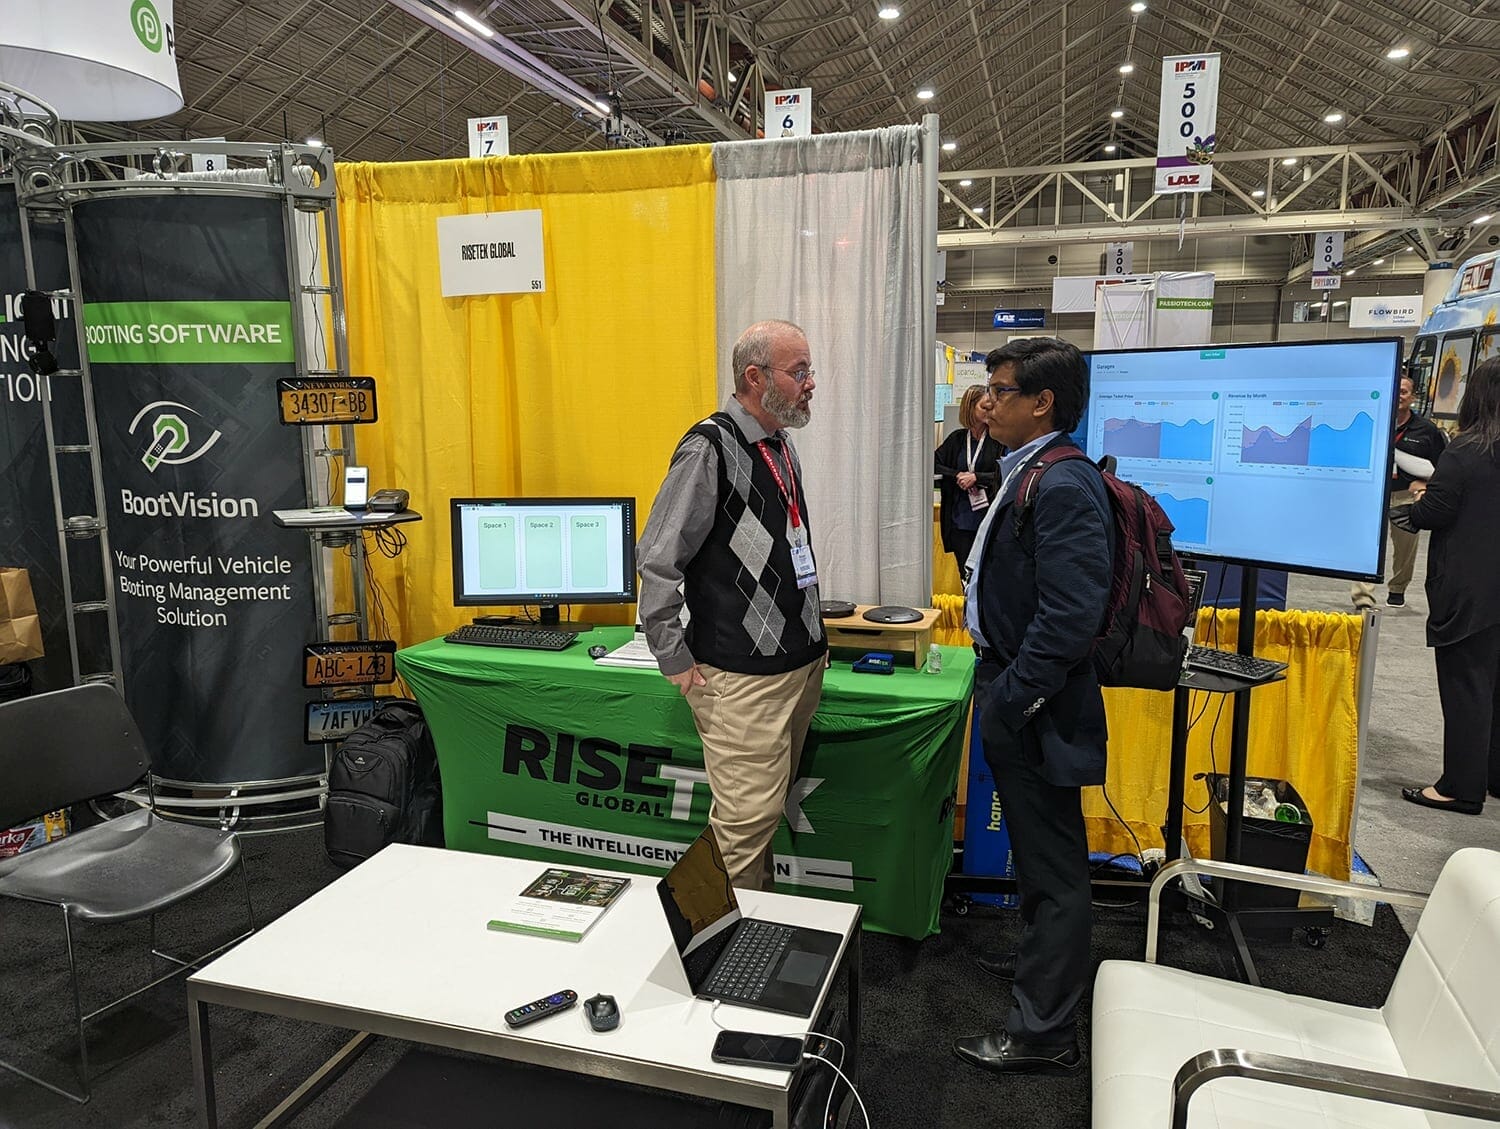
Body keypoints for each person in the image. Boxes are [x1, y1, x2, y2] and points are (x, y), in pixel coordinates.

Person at [952, 337, 1114, 1075]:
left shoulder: (1063, 484)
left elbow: (1070, 618)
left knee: (1053, 869)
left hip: (1036, 703)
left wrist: (1011, 702)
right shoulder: (1030, 472)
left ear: (1043, 402)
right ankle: (1042, 980)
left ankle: (1043, 1031)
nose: (989, 401)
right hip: (1021, 693)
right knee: (1042, 856)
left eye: (1002, 389)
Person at [636, 319, 827, 889]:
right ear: (755, 377)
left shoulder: (779, 444)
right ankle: (706, 956)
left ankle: (750, 935)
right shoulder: (708, 448)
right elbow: (657, 558)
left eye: (809, 370)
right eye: (800, 372)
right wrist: (671, 655)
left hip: (796, 665)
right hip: (741, 676)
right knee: (743, 824)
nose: (811, 383)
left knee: (762, 818)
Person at [1400, 356, 1500, 815]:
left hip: (1470, 593)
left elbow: (1433, 513)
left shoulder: (1466, 452)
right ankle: (1491, 776)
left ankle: (1460, 786)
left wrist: (1421, 496)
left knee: (1467, 688)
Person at [1351, 371, 1447, 610]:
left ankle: (1397, 588)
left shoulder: (1426, 430)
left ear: (1412, 397)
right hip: (1374, 494)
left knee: (1405, 549)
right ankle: (1363, 597)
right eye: (1394, 391)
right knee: (1366, 544)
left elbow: (1443, 467)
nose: (1398, 396)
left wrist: (1425, 485)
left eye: (1403, 391)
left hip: (1407, 495)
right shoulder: (1370, 421)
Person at [935, 385, 1003, 580]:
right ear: (970, 408)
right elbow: (933, 464)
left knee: (988, 579)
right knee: (965, 578)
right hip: (960, 523)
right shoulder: (957, 439)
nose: (989, 412)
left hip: (988, 521)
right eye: (984, 407)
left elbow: (1005, 474)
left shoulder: (998, 440)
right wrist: (958, 475)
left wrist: (977, 477)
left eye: (991, 407)